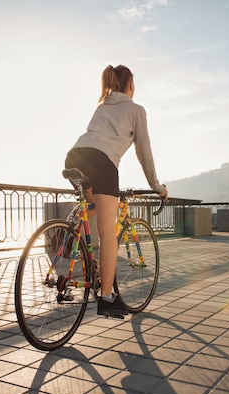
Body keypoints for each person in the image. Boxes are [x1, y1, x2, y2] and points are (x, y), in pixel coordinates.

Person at [65, 64, 168, 317]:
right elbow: (144, 152)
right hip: (102, 164)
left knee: (92, 210)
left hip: (75, 156)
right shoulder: (136, 110)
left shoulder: (102, 106)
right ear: (130, 84)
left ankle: (70, 243)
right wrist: (157, 187)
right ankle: (108, 297)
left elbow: (95, 139)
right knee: (107, 232)